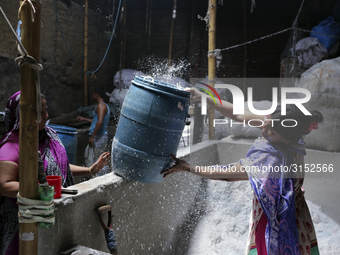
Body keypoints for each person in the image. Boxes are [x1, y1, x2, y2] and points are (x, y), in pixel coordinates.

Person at [161, 87, 322, 255]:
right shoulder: (289, 130)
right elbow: (238, 114)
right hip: (298, 215)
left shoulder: (271, 159)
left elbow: (226, 174)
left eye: (270, 131)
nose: (263, 128)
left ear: (287, 139)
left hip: (278, 222)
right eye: (266, 121)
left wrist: (187, 167)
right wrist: (205, 97)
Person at [0, 91, 110, 255]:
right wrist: (41, 190)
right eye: (41, 111)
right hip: (24, 221)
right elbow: (4, 185)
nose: (47, 115)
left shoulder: (48, 136)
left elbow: (59, 166)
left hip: (50, 217)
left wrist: (89, 170)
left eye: (46, 109)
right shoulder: (12, 146)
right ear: (23, 115)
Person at [76, 87, 110, 176]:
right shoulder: (104, 105)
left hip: (99, 137)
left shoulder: (101, 105)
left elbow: (100, 122)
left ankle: (99, 178)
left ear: (97, 94)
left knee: (98, 159)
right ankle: (96, 176)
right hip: (99, 136)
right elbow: (96, 121)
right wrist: (83, 119)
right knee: (91, 156)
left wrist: (92, 136)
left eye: (93, 94)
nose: (92, 96)